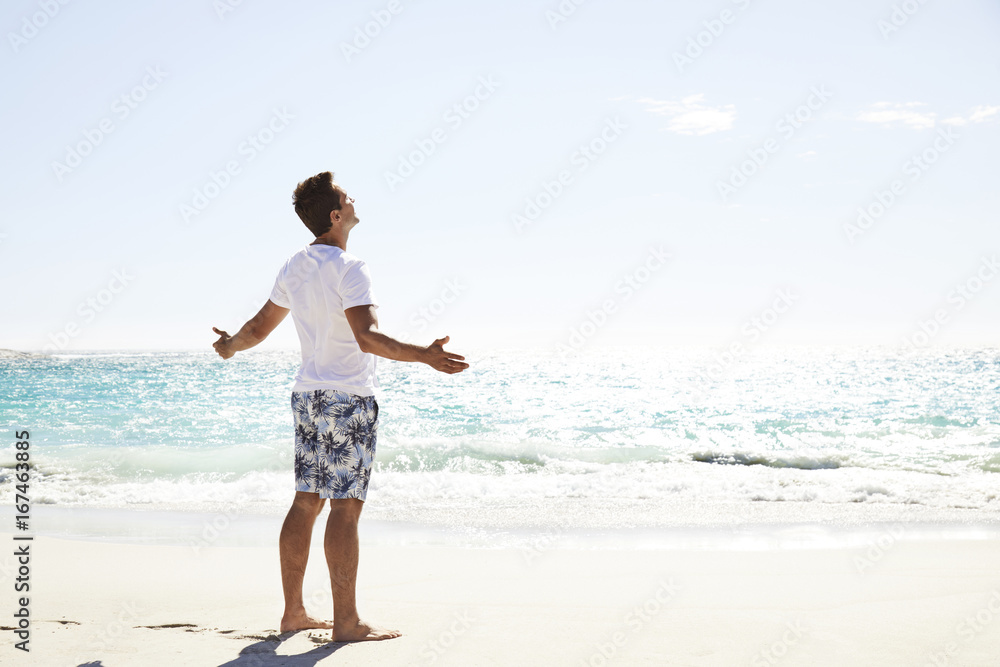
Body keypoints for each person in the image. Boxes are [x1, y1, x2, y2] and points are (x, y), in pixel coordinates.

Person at [211, 171, 469, 642]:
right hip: (347, 399)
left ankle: (293, 614)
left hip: (307, 395)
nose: (354, 201)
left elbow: (258, 327)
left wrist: (229, 346)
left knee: (307, 501)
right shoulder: (352, 268)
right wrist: (425, 356)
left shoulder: (295, 265)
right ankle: (346, 623)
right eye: (348, 198)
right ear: (335, 216)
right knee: (345, 510)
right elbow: (366, 337)